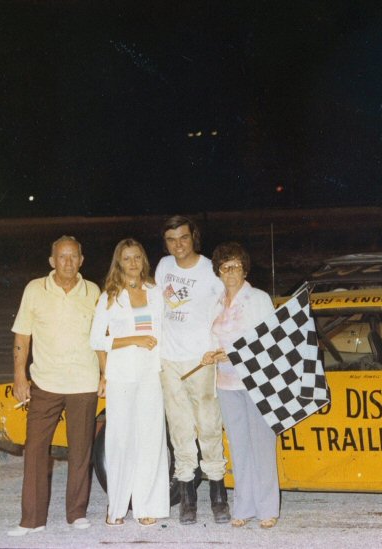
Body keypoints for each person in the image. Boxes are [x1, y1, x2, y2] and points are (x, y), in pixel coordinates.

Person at [8, 236, 101, 536]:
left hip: (83, 382)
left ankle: (77, 513)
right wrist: (20, 376)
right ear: (52, 261)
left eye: (73, 256)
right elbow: (22, 336)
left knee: (81, 450)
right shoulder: (35, 289)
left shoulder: (93, 291)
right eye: (62, 256)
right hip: (45, 382)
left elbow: (101, 338)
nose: (68, 262)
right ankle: (32, 520)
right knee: (35, 449)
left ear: (81, 260)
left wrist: (104, 374)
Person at [154, 215, 229, 525]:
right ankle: (187, 497)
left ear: (193, 237)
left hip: (201, 361)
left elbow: (226, 312)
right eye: (171, 240)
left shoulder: (211, 271)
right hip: (169, 361)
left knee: (209, 427)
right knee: (180, 428)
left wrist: (219, 349)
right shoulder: (163, 267)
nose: (178, 245)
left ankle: (218, 495)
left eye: (183, 238)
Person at [89, 239, 169, 526]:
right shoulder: (109, 296)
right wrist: (133, 340)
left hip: (151, 374)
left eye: (137, 257)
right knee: (120, 440)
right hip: (121, 375)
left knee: (150, 439)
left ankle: (146, 506)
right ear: (119, 263)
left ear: (143, 260)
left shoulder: (155, 292)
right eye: (127, 258)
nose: (133, 263)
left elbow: (165, 331)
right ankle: (116, 508)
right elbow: (96, 340)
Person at [203, 242, 280, 529]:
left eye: (235, 266)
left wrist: (235, 354)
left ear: (245, 269)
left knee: (262, 446)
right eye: (225, 267)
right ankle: (244, 507)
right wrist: (210, 354)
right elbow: (212, 337)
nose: (230, 272)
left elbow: (270, 340)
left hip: (257, 381)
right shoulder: (216, 302)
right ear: (218, 272)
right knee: (238, 446)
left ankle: (267, 509)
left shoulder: (258, 299)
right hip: (226, 383)